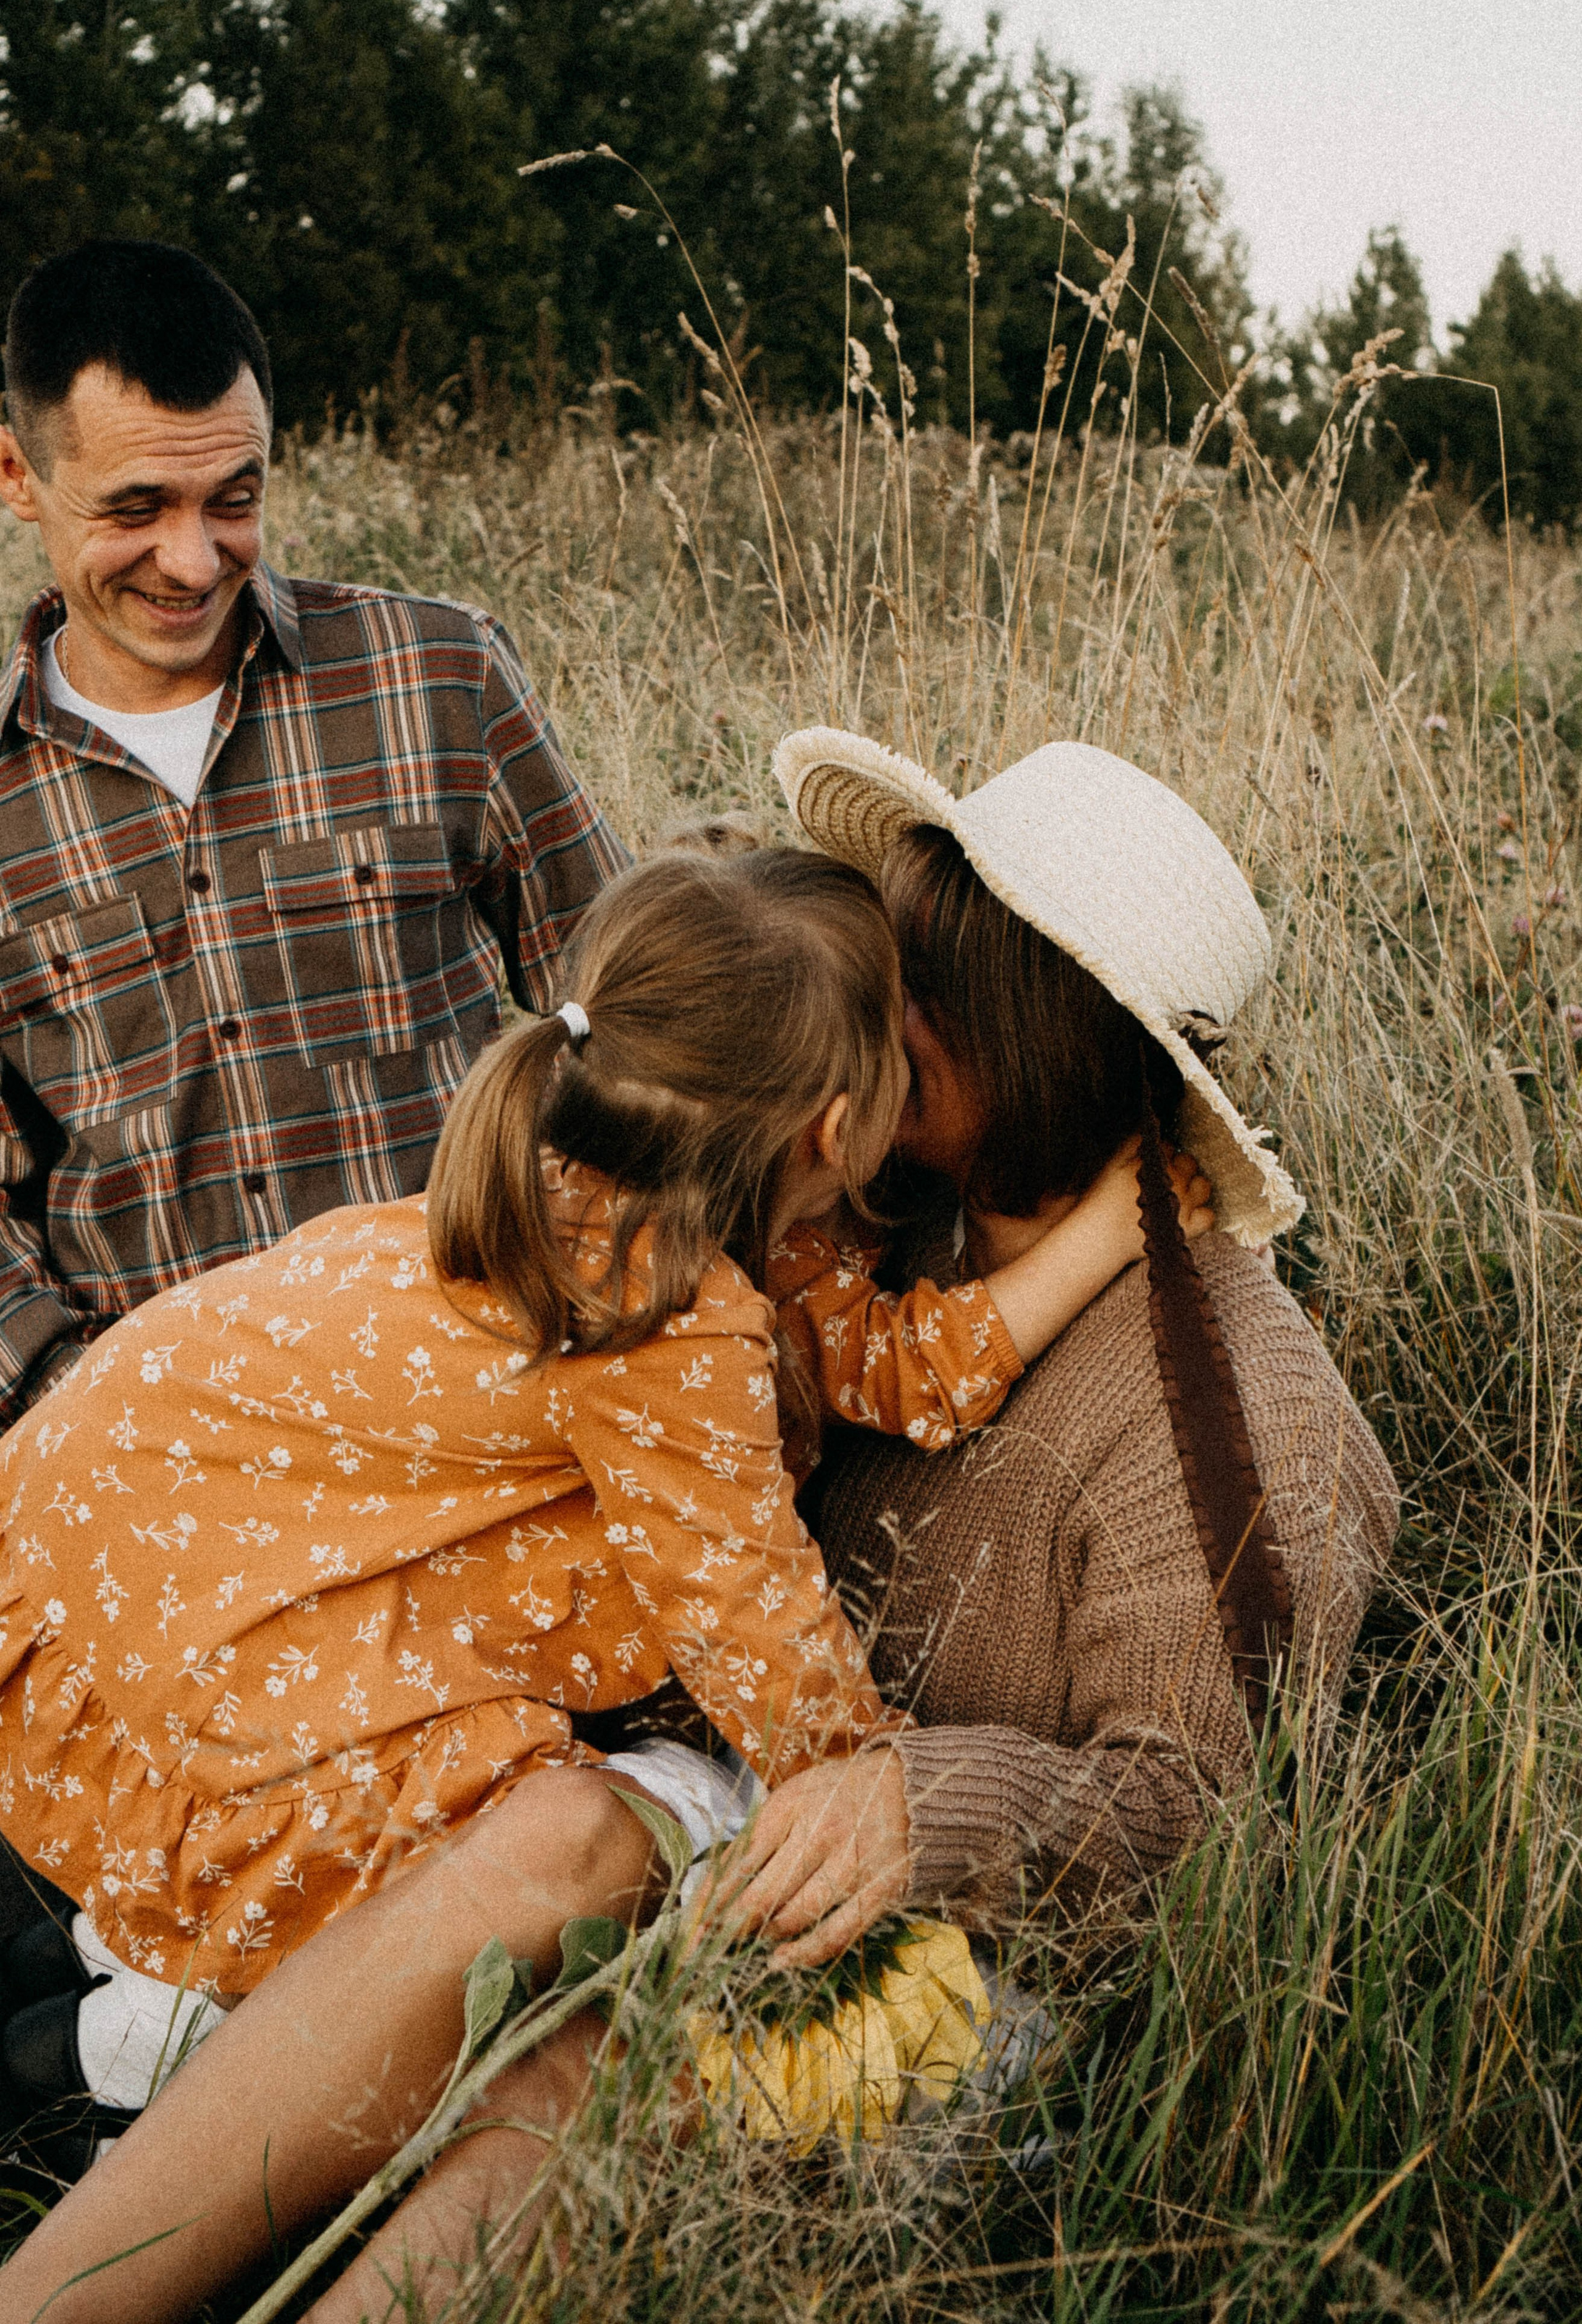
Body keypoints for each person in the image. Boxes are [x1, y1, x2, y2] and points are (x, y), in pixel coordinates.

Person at [0, 737, 1390, 2324]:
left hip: (928, 1945)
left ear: (1037, 1030)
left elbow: (1204, 1809)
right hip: (705, 1810)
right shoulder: (822, 1210)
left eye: (919, 975)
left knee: (601, 2000)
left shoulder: (1240, 1416)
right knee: (563, 1853)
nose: (872, 1010)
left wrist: (915, 1805)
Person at [0, 239, 625, 1426]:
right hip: (162, 1464)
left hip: (485, 1399)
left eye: (233, 499)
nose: (193, 560)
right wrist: (87, 1407)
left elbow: (626, 1009)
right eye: (136, 509)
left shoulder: (437, 673)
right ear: (19, 474)